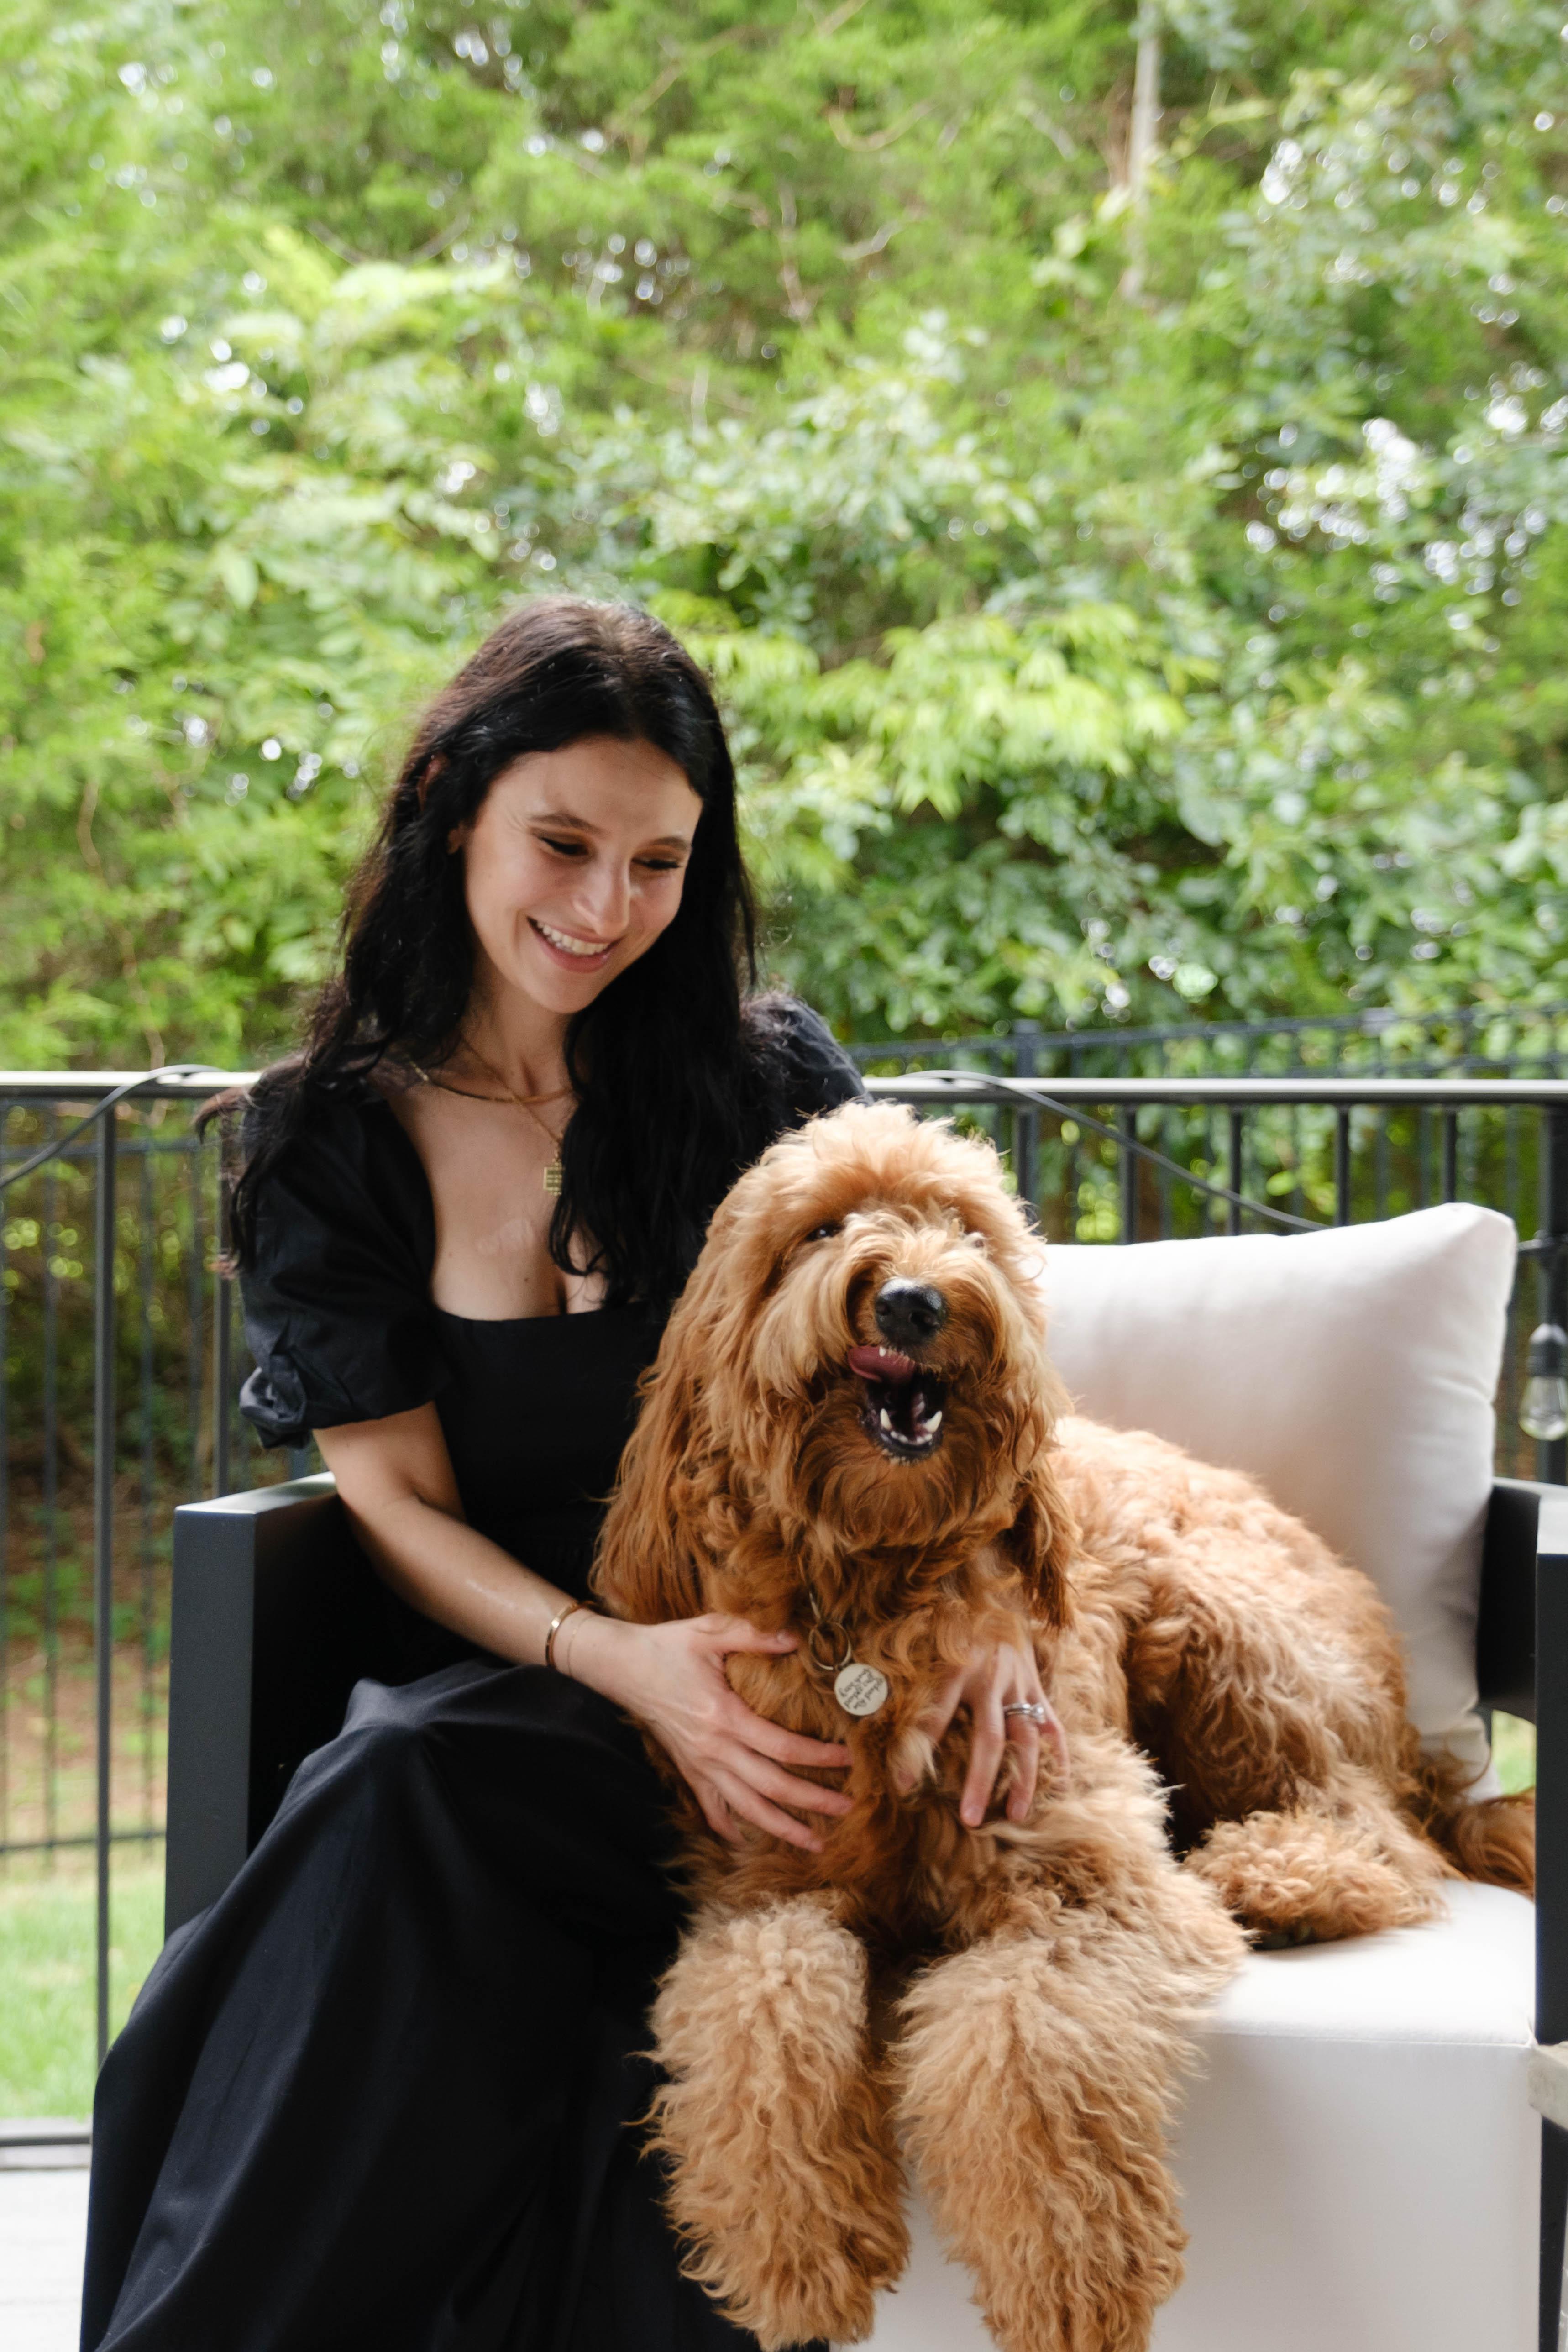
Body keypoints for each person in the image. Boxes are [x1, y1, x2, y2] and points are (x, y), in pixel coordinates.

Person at [81, 597, 1061, 2352]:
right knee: (400, 1768)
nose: (604, 907)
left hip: (798, 1668)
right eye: (562, 843)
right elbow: (389, 1501)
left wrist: (996, 1611)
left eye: (658, 862)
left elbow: (959, 1360)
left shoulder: (763, 1081)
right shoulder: (329, 1135)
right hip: (540, 1662)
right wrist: (616, 1662)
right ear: (455, 802)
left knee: (406, 1780)